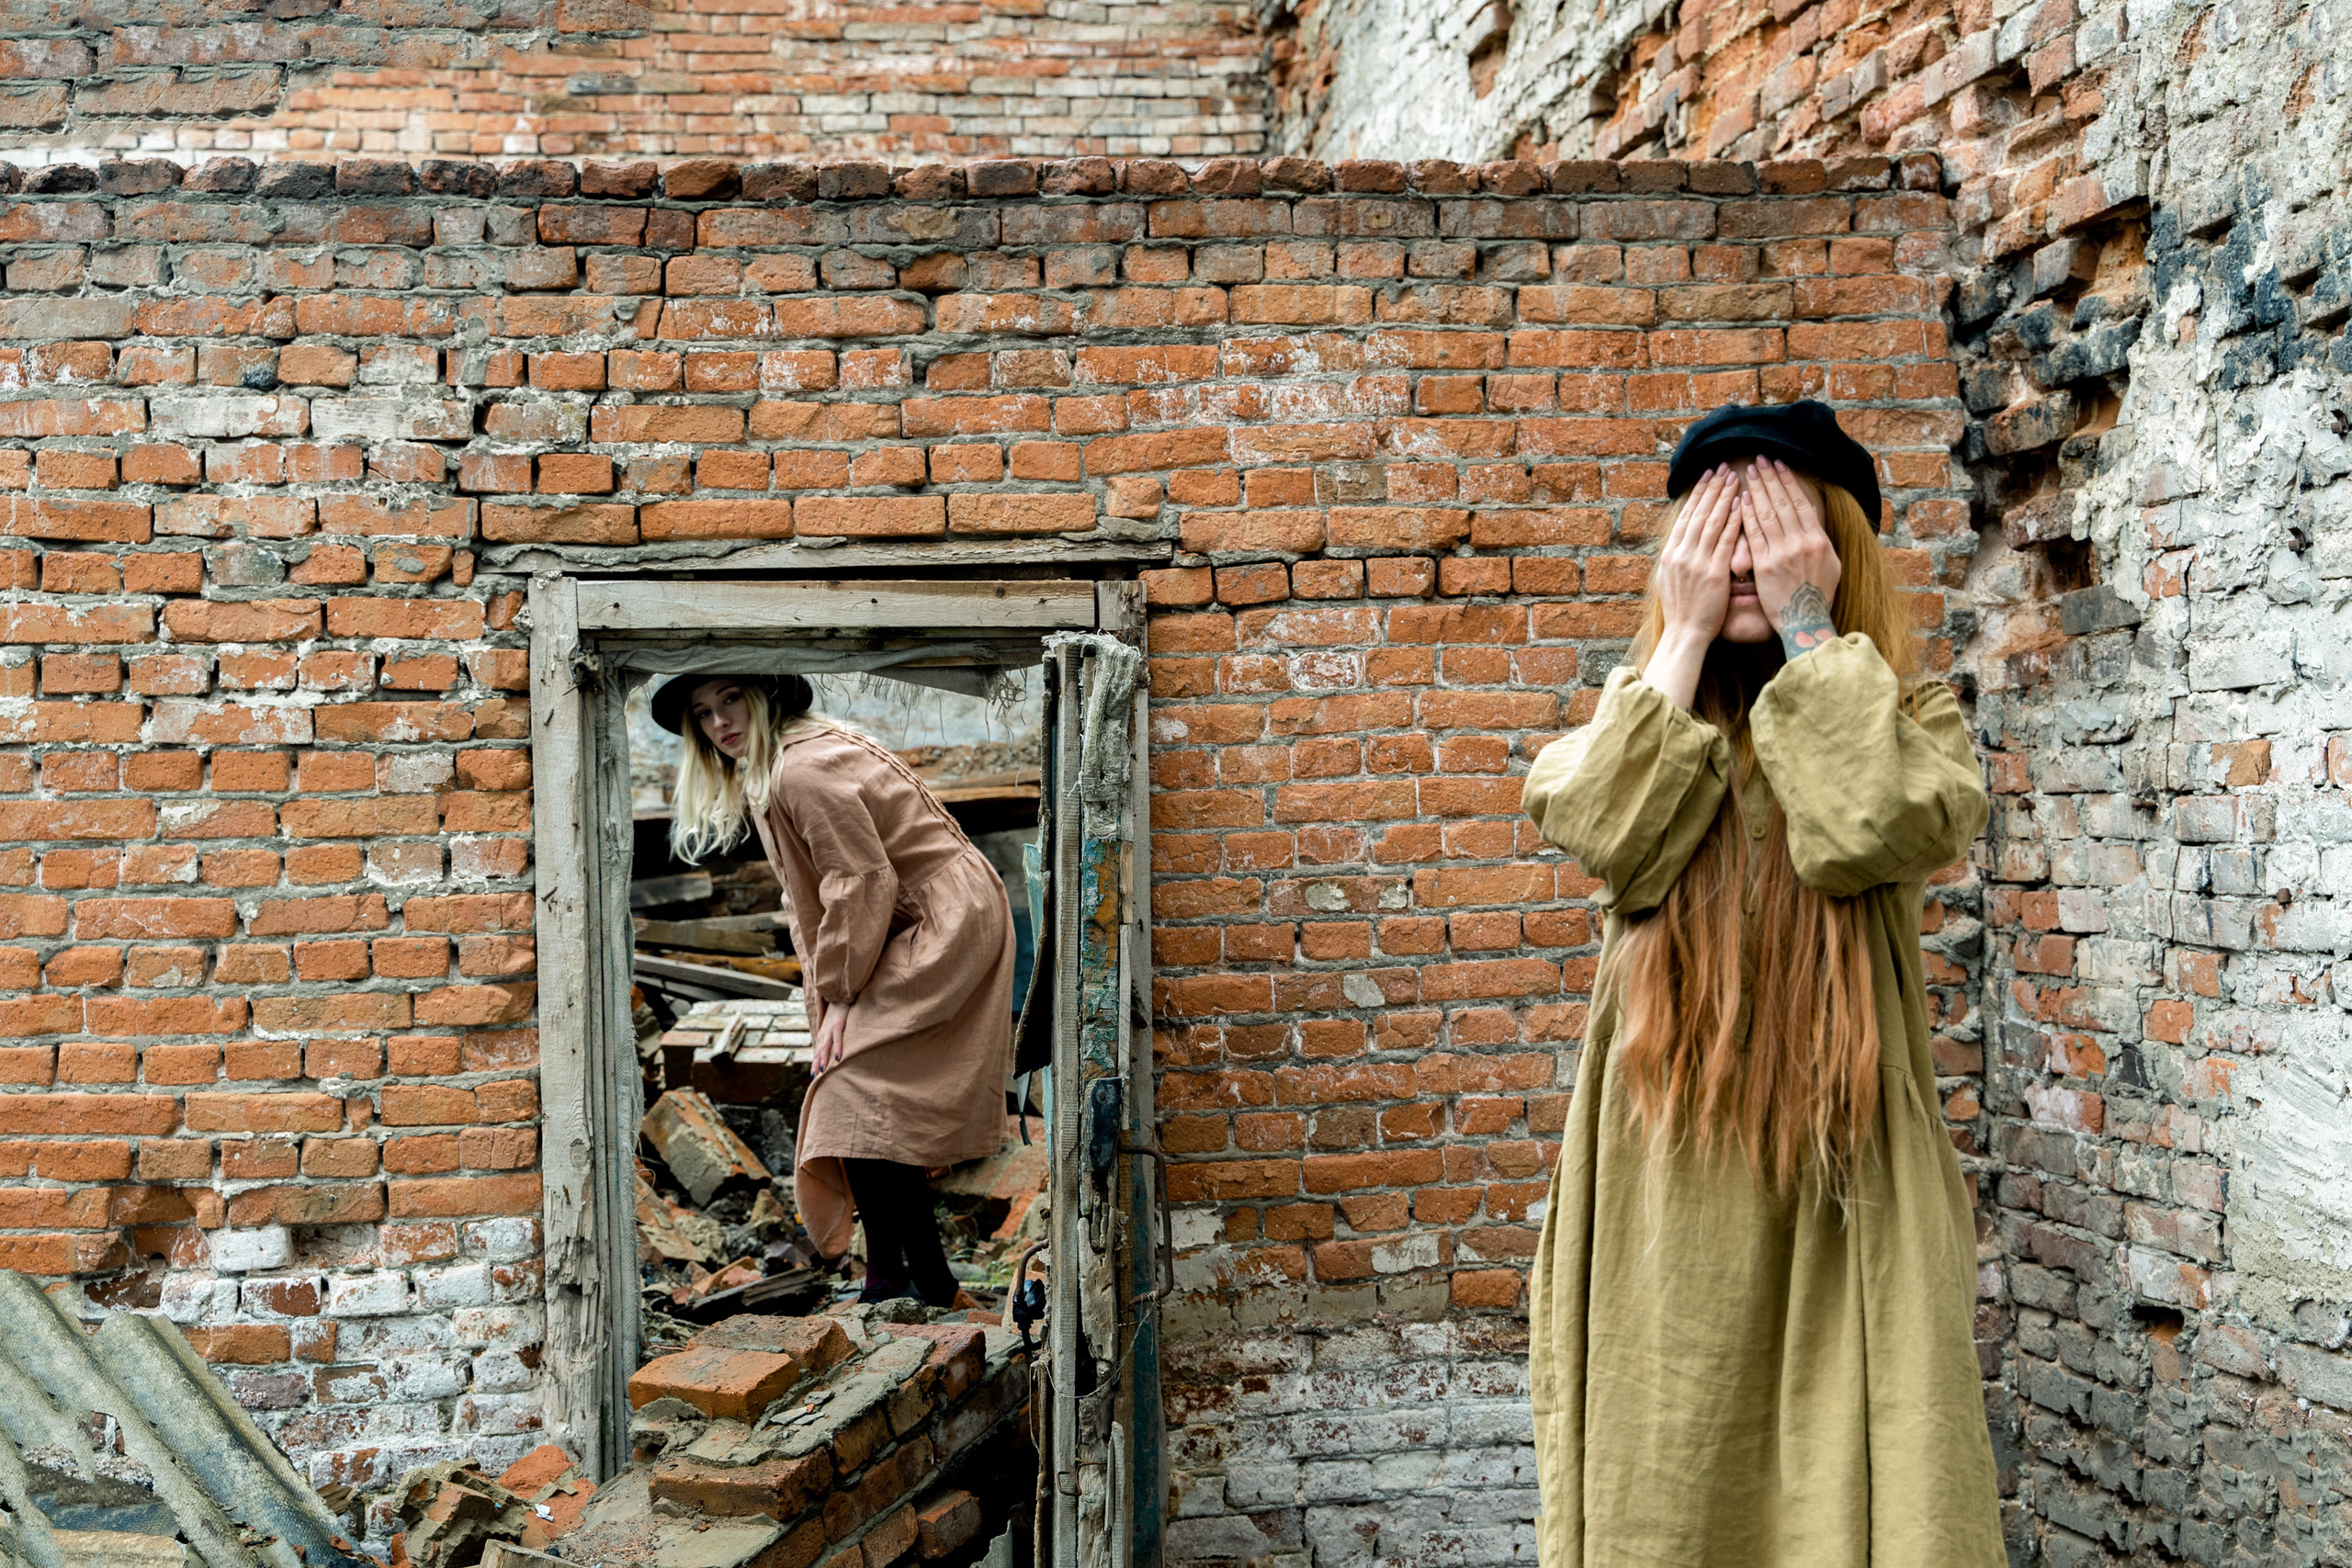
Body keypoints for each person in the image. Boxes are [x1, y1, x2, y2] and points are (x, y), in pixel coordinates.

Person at [1520, 400, 2003, 1565]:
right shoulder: (1635, 732)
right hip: (1661, 1194)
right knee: (1664, 1497)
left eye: (1775, 531)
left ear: (1833, 549)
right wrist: (1675, 641)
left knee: (1877, 1492)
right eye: (1716, 534)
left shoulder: (1909, 723)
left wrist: (1802, 621)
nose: (1742, 558)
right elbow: (1599, 827)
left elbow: (1865, 822)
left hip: (1851, 1193)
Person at [654, 671, 1014, 1308]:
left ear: (764, 697)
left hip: (940, 920)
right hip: (915, 914)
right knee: (867, 1098)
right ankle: (912, 1277)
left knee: (850, 1084)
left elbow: (859, 882)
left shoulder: (800, 770)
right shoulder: (777, 764)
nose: (719, 723)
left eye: (731, 699)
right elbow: (821, 896)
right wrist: (829, 999)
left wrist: (842, 996)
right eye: (703, 713)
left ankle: (904, 1277)